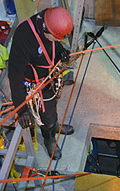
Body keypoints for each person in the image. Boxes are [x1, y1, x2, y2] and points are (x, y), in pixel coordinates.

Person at [8, 7, 75, 160]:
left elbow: (51, 45)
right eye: (57, 38)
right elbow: (15, 75)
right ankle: (49, 138)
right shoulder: (24, 38)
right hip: (34, 82)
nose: (59, 41)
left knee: (53, 104)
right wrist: (22, 109)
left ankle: (54, 126)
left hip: (47, 74)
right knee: (47, 114)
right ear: (45, 29)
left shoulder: (48, 18)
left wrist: (60, 51)